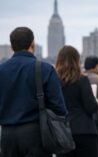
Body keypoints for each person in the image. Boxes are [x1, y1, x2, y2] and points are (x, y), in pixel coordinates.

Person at [0, 27, 67, 157]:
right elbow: (59, 107)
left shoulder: (1, 70)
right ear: (32, 44)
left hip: (7, 135)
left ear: (12, 47)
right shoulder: (45, 69)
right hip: (36, 134)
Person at [56, 46, 98, 157]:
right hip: (84, 130)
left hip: (62, 131)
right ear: (76, 60)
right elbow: (90, 107)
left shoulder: (54, 81)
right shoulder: (82, 79)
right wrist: (96, 102)